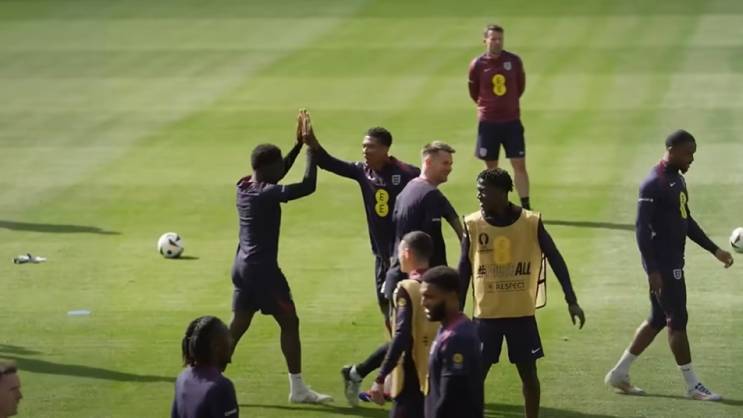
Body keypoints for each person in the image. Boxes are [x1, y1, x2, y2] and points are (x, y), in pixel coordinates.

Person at [605, 129, 734, 401]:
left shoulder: (677, 179)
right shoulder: (654, 183)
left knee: (657, 319)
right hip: (664, 266)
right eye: (688, 154)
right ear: (672, 150)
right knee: (677, 320)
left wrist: (715, 250)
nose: (692, 159)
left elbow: (686, 221)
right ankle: (692, 385)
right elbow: (641, 230)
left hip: (672, 262)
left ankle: (619, 373)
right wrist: (652, 270)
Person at [459, 168, 585, 418]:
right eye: (478, 190)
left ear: (502, 192)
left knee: (529, 376)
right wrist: (456, 314)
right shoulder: (472, 224)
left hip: (521, 315)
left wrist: (571, 299)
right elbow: (463, 270)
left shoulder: (530, 222)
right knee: (475, 377)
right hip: (486, 316)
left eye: (484, 191)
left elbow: (556, 259)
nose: (479, 195)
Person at [229, 110, 332, 403]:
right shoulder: (267, 193)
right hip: (263, 271)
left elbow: (278, 172)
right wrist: (311, 149)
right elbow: (308, 186)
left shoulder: (244, 186)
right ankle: (297, 389)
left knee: (238, 325)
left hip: (241, 267)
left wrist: (297, 145)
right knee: (290, 322)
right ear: (268, 168)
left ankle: (207, 377)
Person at [304, 126, 420, 318]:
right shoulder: (363, 171)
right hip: (381, 253)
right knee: (385, 305)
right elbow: (329, 163)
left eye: (371, 147)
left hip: (405, 254)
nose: (365, 151)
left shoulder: (407, 173)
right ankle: (393, 336)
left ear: (385, 149)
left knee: (408, 307)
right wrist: (312, 143)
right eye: (364, 146)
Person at [365, 231, 438, 418]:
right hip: (436, 371)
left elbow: (402, 336)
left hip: (412, 375)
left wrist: (381, 377)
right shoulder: (441, 285)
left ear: (406, 253)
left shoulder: (407, 289)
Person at [383, 141, 463, 301]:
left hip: (397, 277)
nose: (449, 168)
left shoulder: (407, 190)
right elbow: (434, 243)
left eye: (451, 164)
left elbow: (454, 220)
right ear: (428, 162)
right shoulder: (430, 195)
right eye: (445, 163)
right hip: (420, 285)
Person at [468, 24, 531, 210]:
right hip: (488, 123)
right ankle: (494, 205)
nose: (497, 42)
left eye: (500, 39)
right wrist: (487, 106)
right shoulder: (477, 65)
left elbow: (520, 87)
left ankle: (526, 206)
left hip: (511, 121)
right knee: (491, 169)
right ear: (485, 40)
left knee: (519, 164)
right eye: (493, 39)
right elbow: (473, 91)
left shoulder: (514, 61)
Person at [420, 266, 483, 418]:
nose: (423, 303)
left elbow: (451, 400)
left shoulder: (457, 338)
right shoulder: (450, 328)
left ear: (452, 296)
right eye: (423, 296)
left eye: (430, 297)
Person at [172, 316, 238, 418]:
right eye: (228, 337)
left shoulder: (182, 378)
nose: (232, 341)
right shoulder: (221, 387)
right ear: (216, 347)